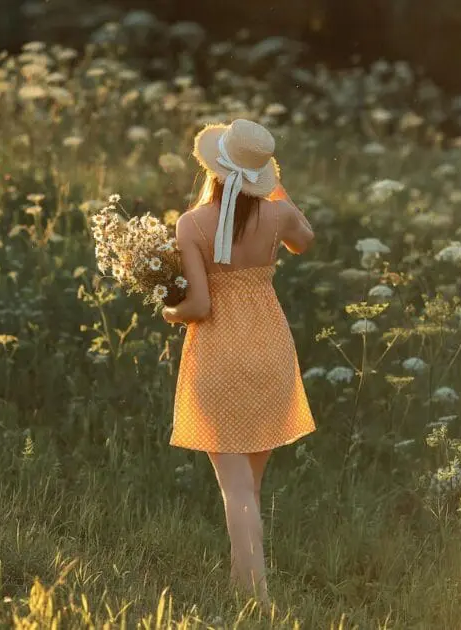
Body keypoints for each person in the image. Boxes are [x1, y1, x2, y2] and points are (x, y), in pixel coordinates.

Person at [161, 119, 317, 609]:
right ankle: (241, 583)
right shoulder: (277, 214)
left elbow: (200, 307)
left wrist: (168, 309)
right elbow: (305, 240)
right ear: (260, 175)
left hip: (220, 356)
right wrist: (274, 188)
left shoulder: (192, 224)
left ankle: (255, 597)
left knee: (237, 490)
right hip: (270, 349)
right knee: (248, 484)